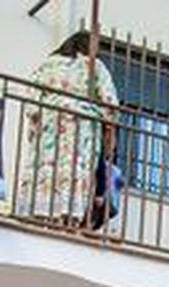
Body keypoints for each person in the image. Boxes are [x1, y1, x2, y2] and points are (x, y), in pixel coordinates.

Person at [17, 40, 119, 226]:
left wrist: (36, 125)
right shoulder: (93, 65)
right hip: (80, 125)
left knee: (47, 168)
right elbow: (110, 103)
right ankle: (68, 217)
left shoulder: (48, 65)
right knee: (73, 167)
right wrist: (109, 127)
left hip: (50, 122)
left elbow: (31, 99)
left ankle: (41, 213)